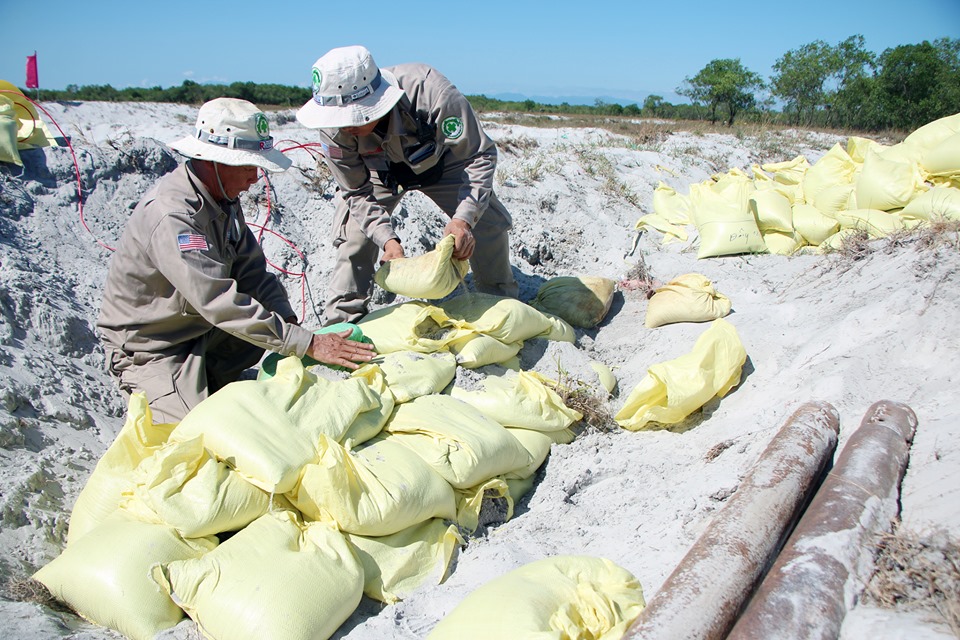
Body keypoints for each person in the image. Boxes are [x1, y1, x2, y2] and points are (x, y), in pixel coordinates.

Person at [97, 97, 374, 423]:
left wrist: (293, 327)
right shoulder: (174, 215)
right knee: (196, 436)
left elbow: (252, 271)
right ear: (214, 161)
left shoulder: (222, 198)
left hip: (200, 330)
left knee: (266, 336)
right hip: (153, 346)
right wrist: (305, 343)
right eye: (247, 167)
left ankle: (209, 382)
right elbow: (217, 300)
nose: (255, 178)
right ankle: (175, 391)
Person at [296, 45, 519, 325]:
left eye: (352, 118)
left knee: (487, 223)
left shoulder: (430, 92)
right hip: (379, 174)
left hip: (442, 162)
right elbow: (355, 191)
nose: (343, 127)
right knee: (355, 238)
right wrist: (387, 240)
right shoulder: (332, 127)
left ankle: (500, 302)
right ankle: (343, 321)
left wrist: (463, 220)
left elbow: (479, 155)